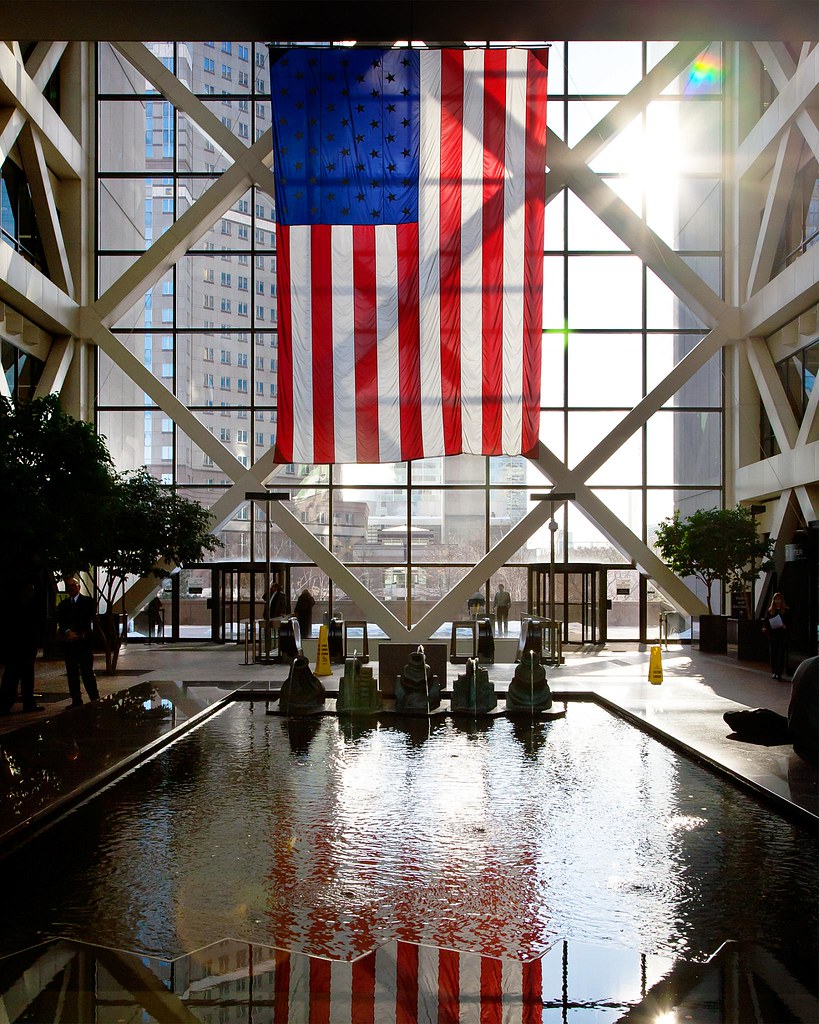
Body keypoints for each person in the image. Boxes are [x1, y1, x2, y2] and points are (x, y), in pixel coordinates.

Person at [0, 570, 47, 714]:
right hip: (22, 641)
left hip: (18, 642)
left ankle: (8, 704)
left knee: (14, 674)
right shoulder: (26, 600)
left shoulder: (14, 599)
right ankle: (18, 703)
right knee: (20, 673)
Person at [55, 576, 99, 707]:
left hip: (84, 643)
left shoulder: (88, 602)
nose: (71, 588)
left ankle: (94, 698)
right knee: (72, 673)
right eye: (68, 586)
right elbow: (61, 621)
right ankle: (76, 700)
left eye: (73, 586)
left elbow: (88, 618)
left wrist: (80, 633)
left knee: (87, 672)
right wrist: (68, 631)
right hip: (70, 644)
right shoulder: (63, 605)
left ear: (79, 587)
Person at [762, 592, 789, 680]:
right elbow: (766, 622)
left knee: (780, 654)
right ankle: (774, 671)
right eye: (776, 599)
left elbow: (790, 623)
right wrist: (765, 628)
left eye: (779, 599)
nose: (777, 601)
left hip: (782, 635)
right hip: (773, 635)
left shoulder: (786, 611)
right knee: (773, 653)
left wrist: (785, 626)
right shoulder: (770, 611)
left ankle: (779, 672)